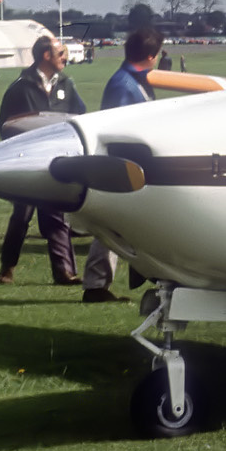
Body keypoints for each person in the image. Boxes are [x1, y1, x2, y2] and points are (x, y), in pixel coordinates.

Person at [82, 27, 163, 303]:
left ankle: (99, 285)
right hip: (124, 168)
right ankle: (95, 286)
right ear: (151, 56)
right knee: (114, 227)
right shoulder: (124, 84)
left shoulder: (131, 80)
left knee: (119, 228)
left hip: (132, 167)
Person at [0, 35, 87, 285]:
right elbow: (6, 126)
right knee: (21, 217)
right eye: (61, 53)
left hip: (57, 161)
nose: (65, 57)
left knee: (57, 216)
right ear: (46, 56)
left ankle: (64, 272)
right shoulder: (20, 87)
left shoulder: (67, 85)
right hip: (27, 162)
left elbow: (81, 116)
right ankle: (7, 268)